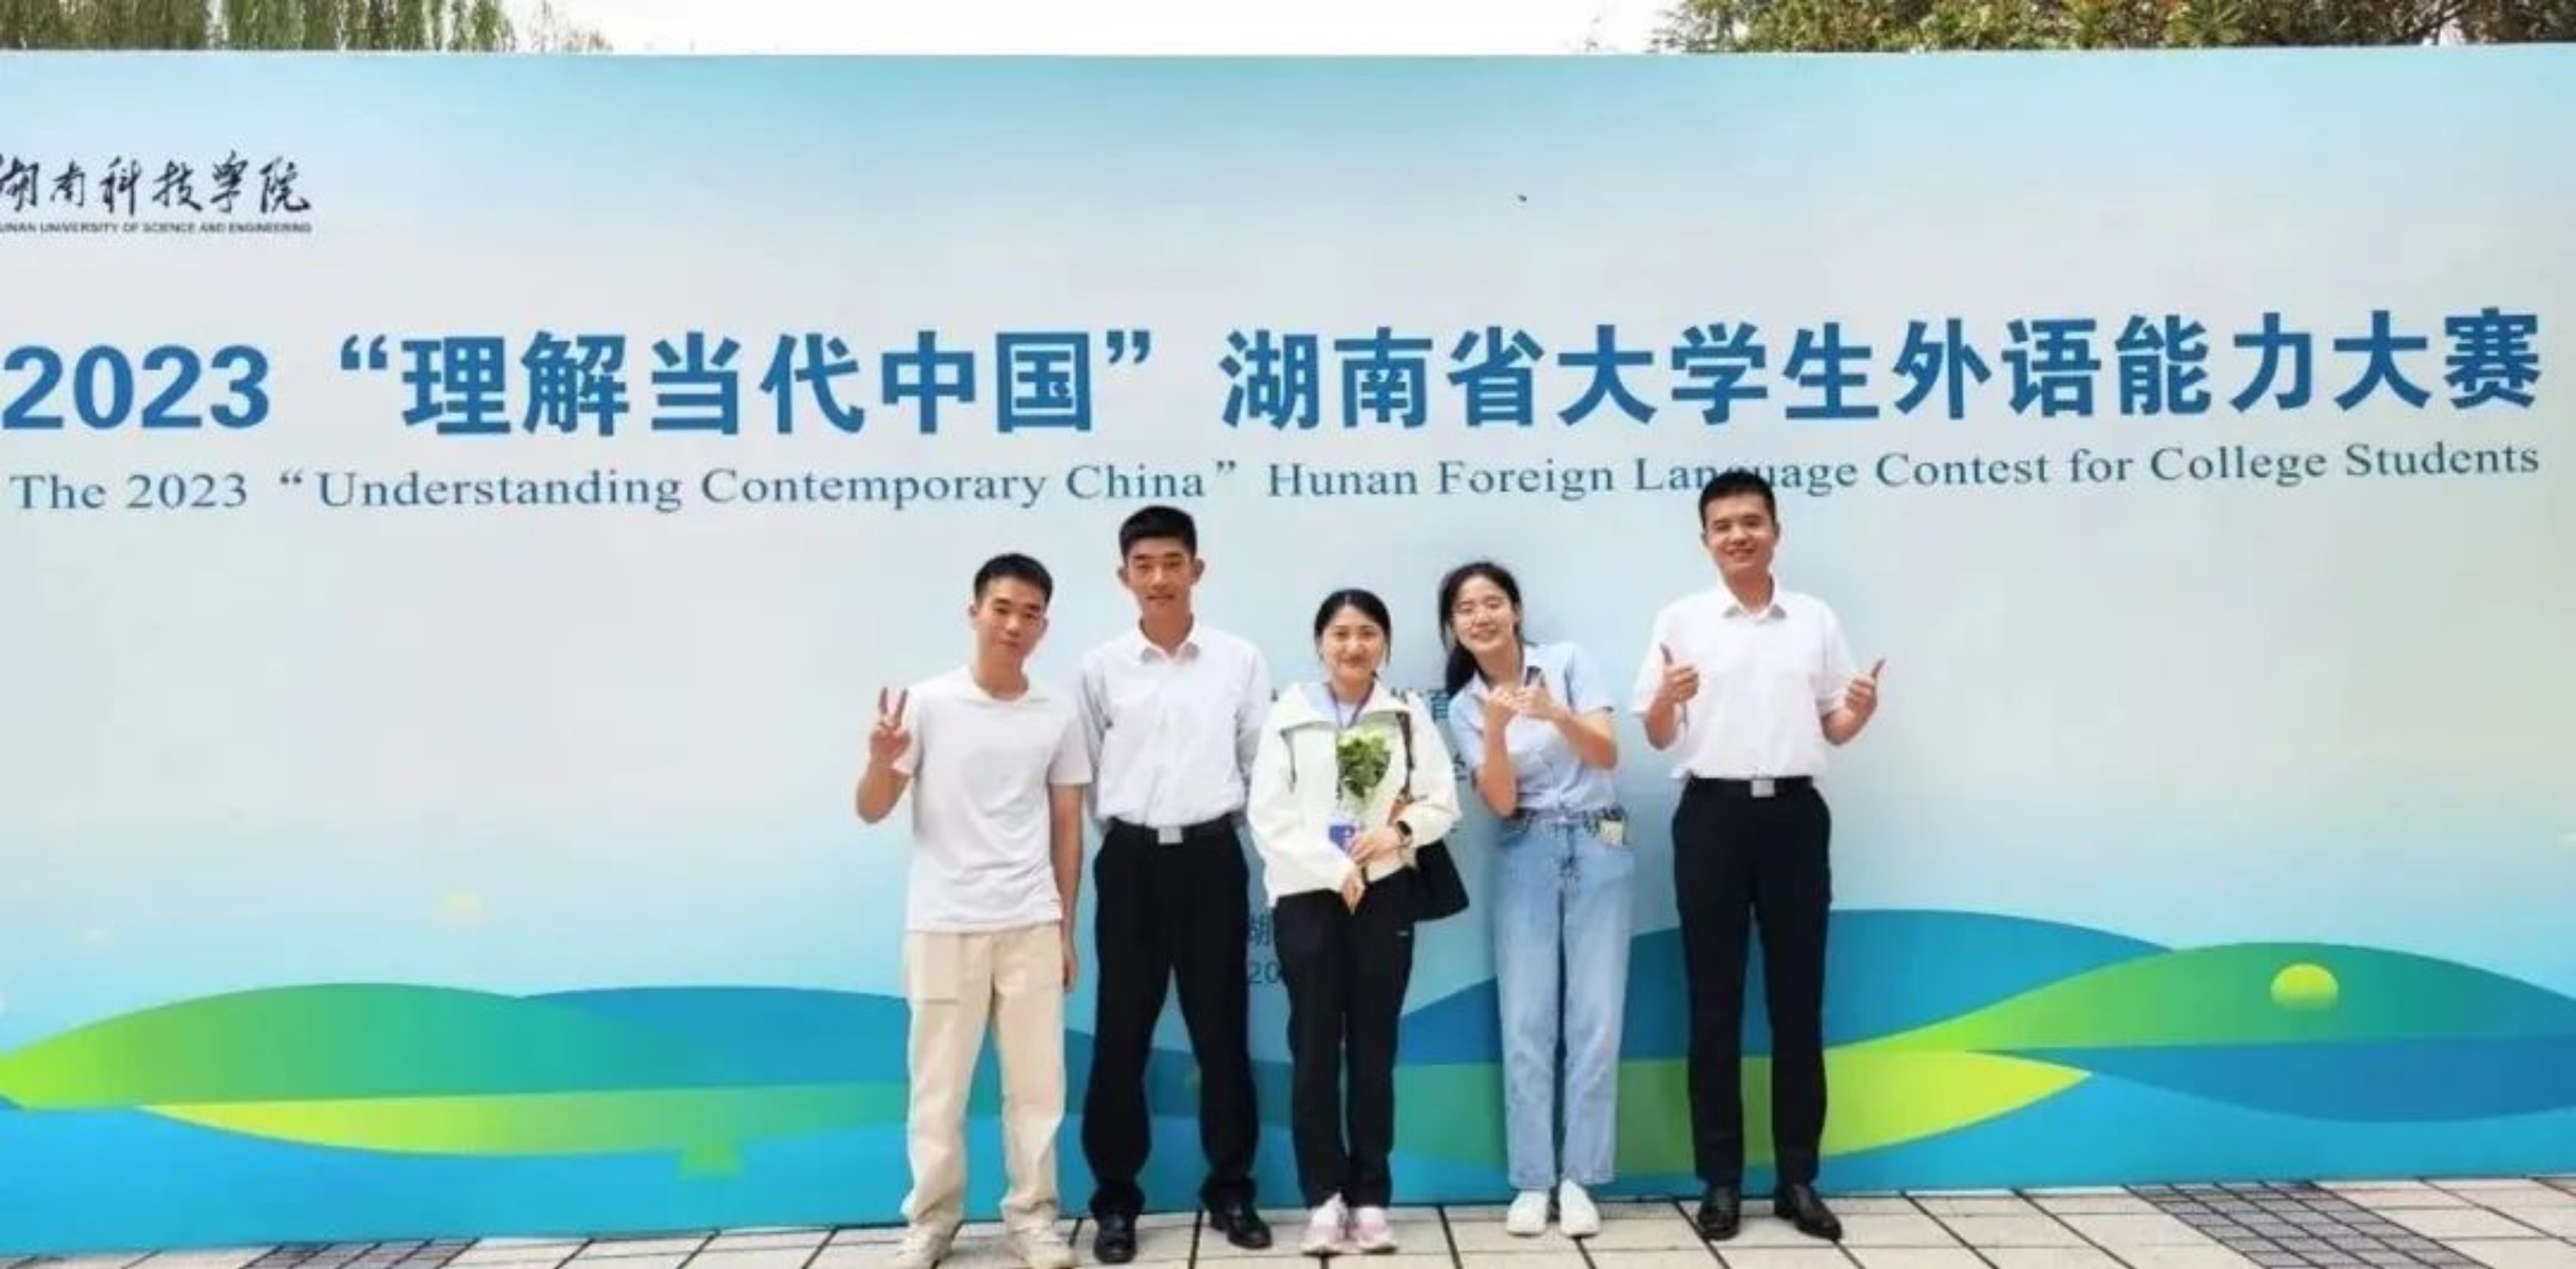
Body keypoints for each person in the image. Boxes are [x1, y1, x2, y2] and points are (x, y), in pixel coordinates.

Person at [1630, 469, 1883, 1245]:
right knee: (1713, 1004)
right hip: (1711, 816)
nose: (1737, 535)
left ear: (1776, 530)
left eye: (1751, 521)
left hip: (1795, 820)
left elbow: (1833, 727)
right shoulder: (1681, 618)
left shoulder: (1812, 618)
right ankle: (1721, 1181)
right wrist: (1669, 696)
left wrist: (1859, 713)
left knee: (1797, 1002)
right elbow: (1656, 734)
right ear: (1704, 538)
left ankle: (1797, 1178)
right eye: (1723, 525)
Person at [855, 552, 1091, 1269]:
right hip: (943, 921)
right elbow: (872, 809)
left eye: (1030, 614)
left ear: (1044, 626)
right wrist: (880, 760)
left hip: (1029, 920)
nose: (1014, 624)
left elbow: (1067, 827)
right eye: (1002, 609)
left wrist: (1064, 929)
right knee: (938, 1090)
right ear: (974, 612)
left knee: (1037, 1090)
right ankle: (931, 1220)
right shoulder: (926, 704)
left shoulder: (1057, 712)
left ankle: (1033, 1218)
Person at [1074, 505, 1275, 1262]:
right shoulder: (1100, 667)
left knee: (1221, 1033)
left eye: (1171, 562)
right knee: (1119, 1037)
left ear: (1197, 568)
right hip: (1129, 864)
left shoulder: (1239, 661)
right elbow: (1087, 775)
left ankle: (1232, 1192)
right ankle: (1115, 1203)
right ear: (1123, 575)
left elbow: (1258, 765)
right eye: (1143, 564)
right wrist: (1131, 838)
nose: (1158, 577)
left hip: (1212, 858)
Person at [1245, 589, 1462, 1258]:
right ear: (1319, 643)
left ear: (1384, 644)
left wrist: (1397, 832)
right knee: (1314, 1051)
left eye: (1367, 633)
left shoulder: (1406, 716)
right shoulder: (1289, 717)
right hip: (1309, 896)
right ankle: (1323, 1198)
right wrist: (1332, 866)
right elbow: (1268, 817)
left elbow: (1442, 802)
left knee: (1374, 1051)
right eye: (1340, 633)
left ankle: (1370, 1198)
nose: (1353, 645)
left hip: (1384, 894)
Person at [1436, 560, 1629, 1240]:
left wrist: (1556, 714)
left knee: (1596, 1018)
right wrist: (1494, 726)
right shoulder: (1463, 705)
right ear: (1453, 626)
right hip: (1524, 846)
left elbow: (1606, 754)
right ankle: (1532, 1180)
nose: (1481, 616)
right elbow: (1498, 800)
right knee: (1526, 1020)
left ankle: (1579, 1178)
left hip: (1600, 842)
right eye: (1466, 609)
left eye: (1492, 602)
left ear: (1515, 609)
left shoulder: (1568, 662)